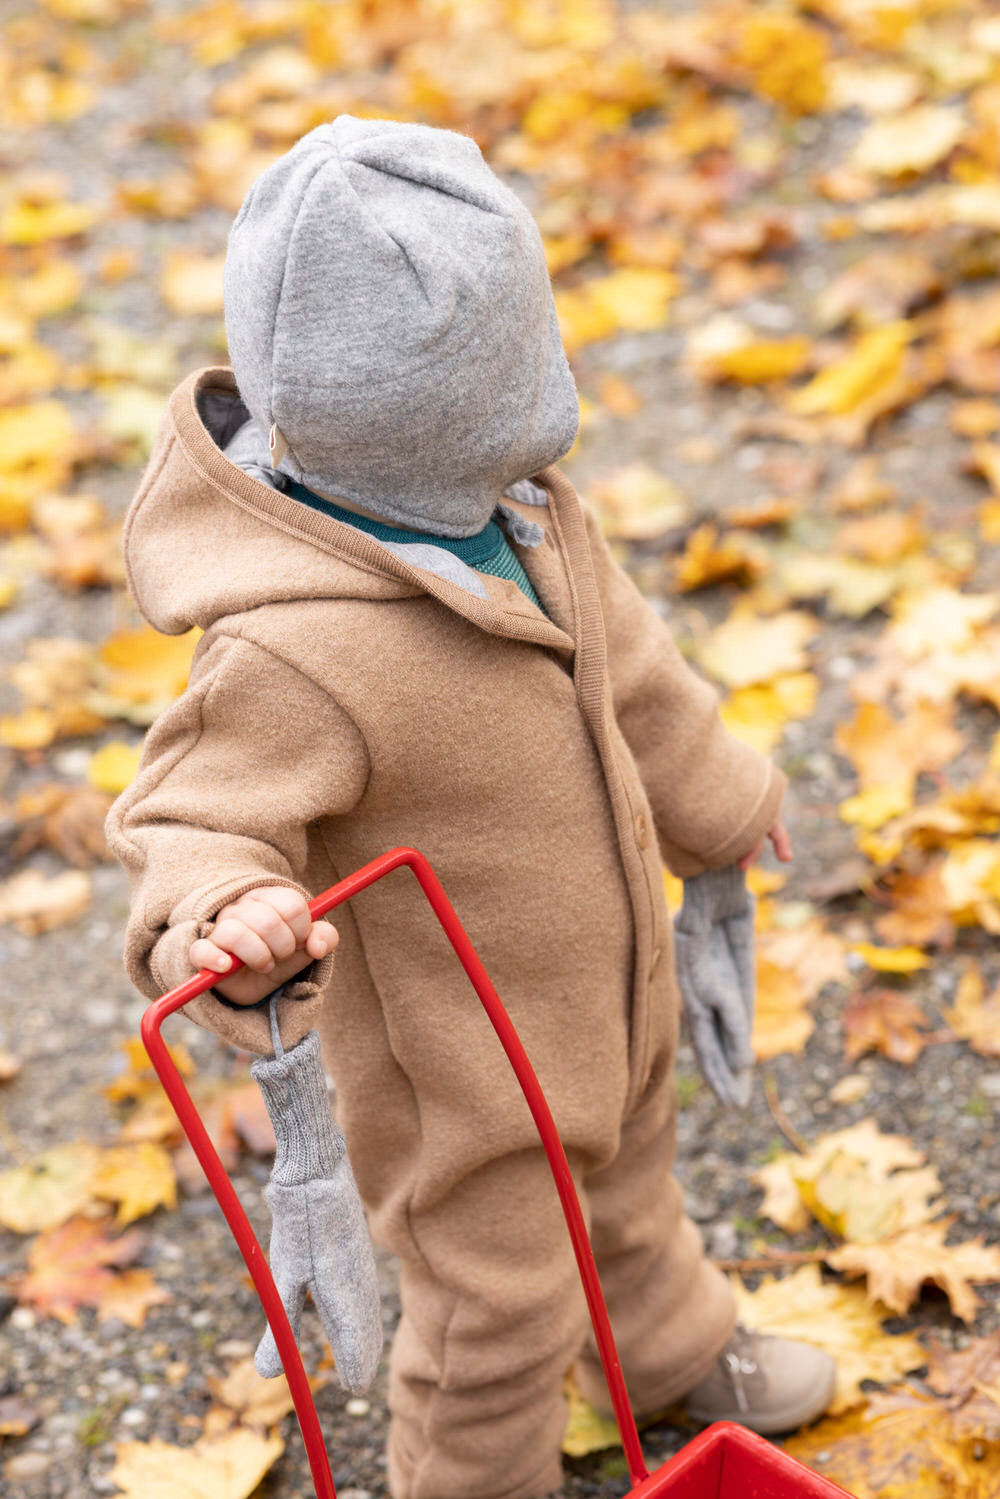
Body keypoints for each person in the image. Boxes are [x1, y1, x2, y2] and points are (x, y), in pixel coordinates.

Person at [104, 115, 835, 1499]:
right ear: (419, 419)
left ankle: (670, 1349)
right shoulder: (288, 647)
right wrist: (226, 909)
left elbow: (640, 683)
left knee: (626, 1192)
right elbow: (188, 814)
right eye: (504, 405)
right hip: (463, 1075)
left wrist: (723, 806)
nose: (533, 435)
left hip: (605, 1000)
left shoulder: (531, 515)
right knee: (495, 1310)